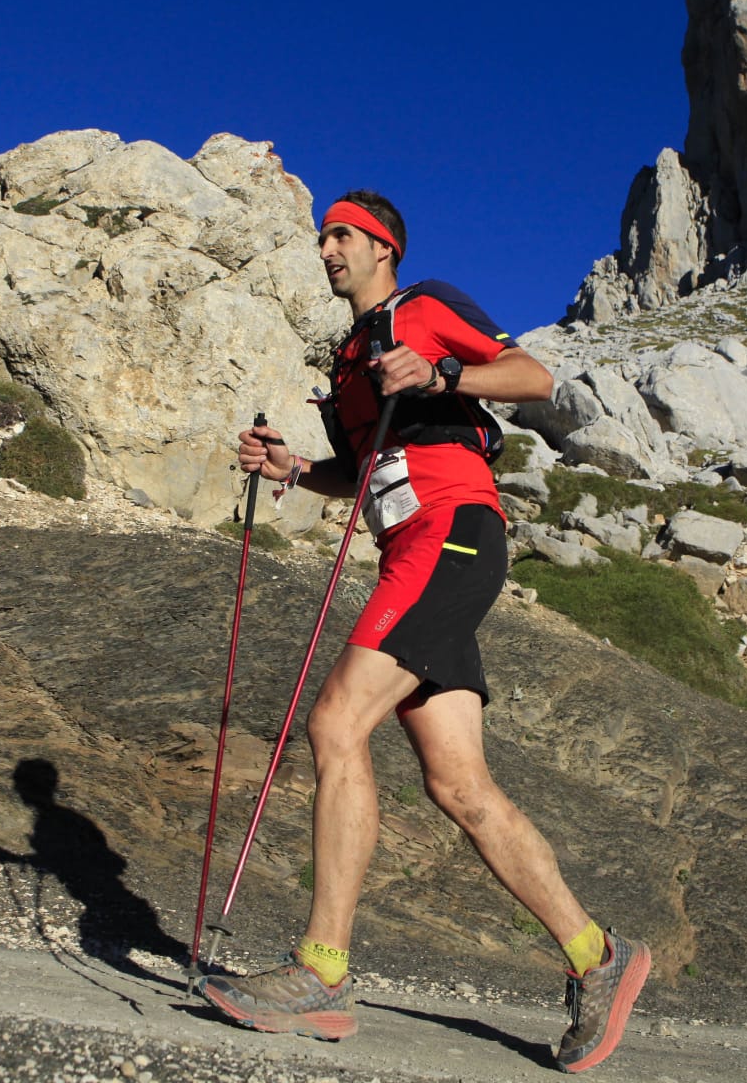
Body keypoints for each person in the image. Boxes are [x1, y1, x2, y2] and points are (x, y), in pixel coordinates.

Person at [199, 191, 649, 1073]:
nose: (326, 249)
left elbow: (534, 379)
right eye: (323, 237)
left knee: (335, 725)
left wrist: (442, 376)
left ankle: (322, 970)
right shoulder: (349, 359)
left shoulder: (425, 308)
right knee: (460, 786)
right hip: (413, 543)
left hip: (452, 535)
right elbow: (363, 469)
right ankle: (601, 958)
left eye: (342, 236)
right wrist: (293, 466)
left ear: (384, 248)